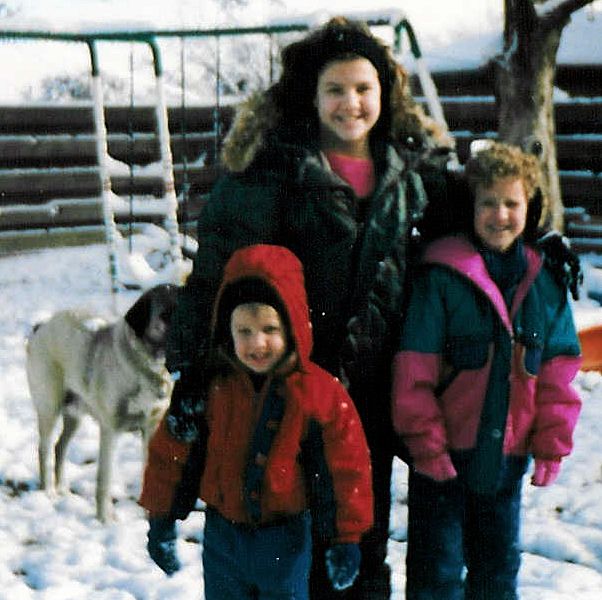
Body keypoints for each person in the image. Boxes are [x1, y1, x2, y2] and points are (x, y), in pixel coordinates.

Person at [155, 16, 457, 599]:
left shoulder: (413, 172)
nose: (351, 103)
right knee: (294, 543)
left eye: (364, 89)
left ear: (385, 93)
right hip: (289, 386)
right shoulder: (274, 173)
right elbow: (219, 266)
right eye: (335, 89)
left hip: (374, 386)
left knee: (359, 530)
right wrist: (195, 363)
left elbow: (479, 223)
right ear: (311, 96)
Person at [391, 141, 583, 600]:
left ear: (529, 205)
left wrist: (551, 445)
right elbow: (414, 371)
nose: (500, 215)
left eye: (511, 203)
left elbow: (558, 370)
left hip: (505, 461)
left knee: (497, 572)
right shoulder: (442, 274)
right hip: (443, 462)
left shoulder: (544, 279)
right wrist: (426, 444)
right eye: (489, 203)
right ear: (471, 207)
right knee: (436, 575)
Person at [140, 244, 374, 599]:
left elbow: (346, 468)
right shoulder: (209, 387)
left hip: (285, 538)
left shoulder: (317, 394)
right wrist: (161, 517)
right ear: (226, 329)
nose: (257, 343)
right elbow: (173, 452)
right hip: (223, 536)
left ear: (293, 325)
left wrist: (346, 537)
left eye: (269, 328)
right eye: (244, 331)